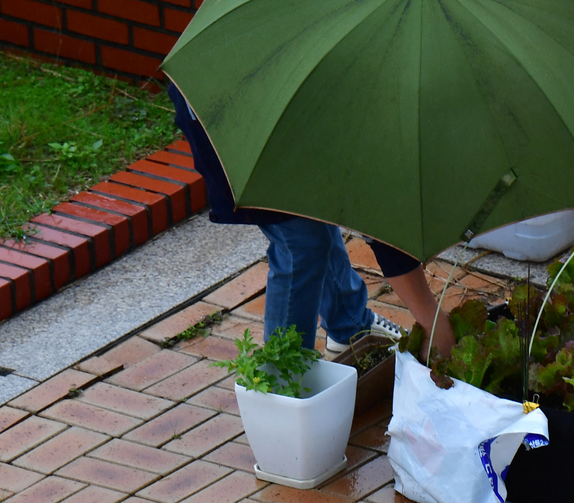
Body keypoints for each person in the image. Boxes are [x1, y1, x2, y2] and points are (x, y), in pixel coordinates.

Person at [167, 82, 455, 358]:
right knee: (301, 243)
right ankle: (283, 381)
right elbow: (376, 218)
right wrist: (429, 316)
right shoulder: (365, 108)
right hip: (228, 116)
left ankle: (350, 326)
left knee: (313, 210)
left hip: (282, 104)